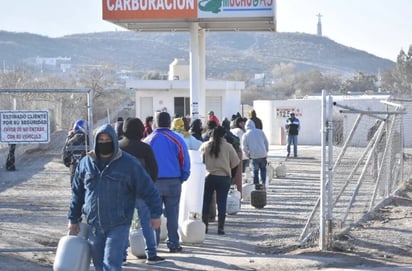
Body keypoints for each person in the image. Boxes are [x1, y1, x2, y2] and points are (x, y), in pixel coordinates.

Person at [67, 123, 162, 271]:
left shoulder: (129, 163)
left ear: (114, 141)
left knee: (111, 263)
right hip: (95, 225)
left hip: (119, 224)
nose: (104, 143)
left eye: (107, 139)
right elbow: (77, 193)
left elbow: (149, 189)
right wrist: (73, 218)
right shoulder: (86, 163)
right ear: (96, 141)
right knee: (99, 265)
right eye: (101, 140)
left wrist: (156, 214)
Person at [118, 117, 164, 264]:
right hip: (142, 192)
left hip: (122, 192)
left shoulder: (118, 147)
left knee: (123, 225)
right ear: (140, 130)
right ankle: (151, 254)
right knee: (147, 224)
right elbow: (154, 170)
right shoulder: (145, 148)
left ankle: (122, 255)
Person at [144, 112, 191, 253]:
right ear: (169, 123)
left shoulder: (148, 140)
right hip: (173, 181)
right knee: (172, 214)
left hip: (153, 183)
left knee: (154, 215)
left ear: (155, 123)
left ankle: (154, 244)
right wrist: (183, 177)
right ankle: (173, 243)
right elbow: (185, 161)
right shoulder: (177, 139)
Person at [199, 126, 240, 235]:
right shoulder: (228, 147)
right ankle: (220, 228)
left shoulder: (205, 146)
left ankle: (205, 227)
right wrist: (232, 176)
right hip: (224, 178)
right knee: (222, 203)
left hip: (209, 177)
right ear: (224, 135)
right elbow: (236, 163)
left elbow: (199, 162)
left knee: (206, 202)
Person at [62, 119, 89, 184]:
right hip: (88, 173)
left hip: (74, 174)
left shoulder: (70, 141)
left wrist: (69, 137)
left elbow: (65, 159)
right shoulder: (90, 140)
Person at [242, 120, 269, 185]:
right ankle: (263, 183)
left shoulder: (245, 135)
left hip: (254, 156)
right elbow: (266, 143)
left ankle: (256, 186)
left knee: (255, 172)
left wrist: (248, 155)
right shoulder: (260, 132)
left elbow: (244, 148)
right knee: (263, 170)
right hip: (263, 155)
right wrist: (266, 151)